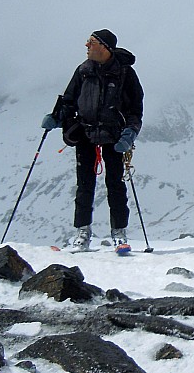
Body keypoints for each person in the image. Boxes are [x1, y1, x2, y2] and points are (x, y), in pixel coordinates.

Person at [42, 29, 144, 252]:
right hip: (86, 133)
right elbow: (69, 101)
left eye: (92, 42)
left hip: (114, 135)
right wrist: (57, 117)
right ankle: (83, 232)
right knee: (84, 184)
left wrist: (130, 133)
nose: (87, 45)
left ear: (105, 47)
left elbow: (135, 109)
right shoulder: (83, 71)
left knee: (115, 184)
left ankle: (119, 233)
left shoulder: (125, 73)